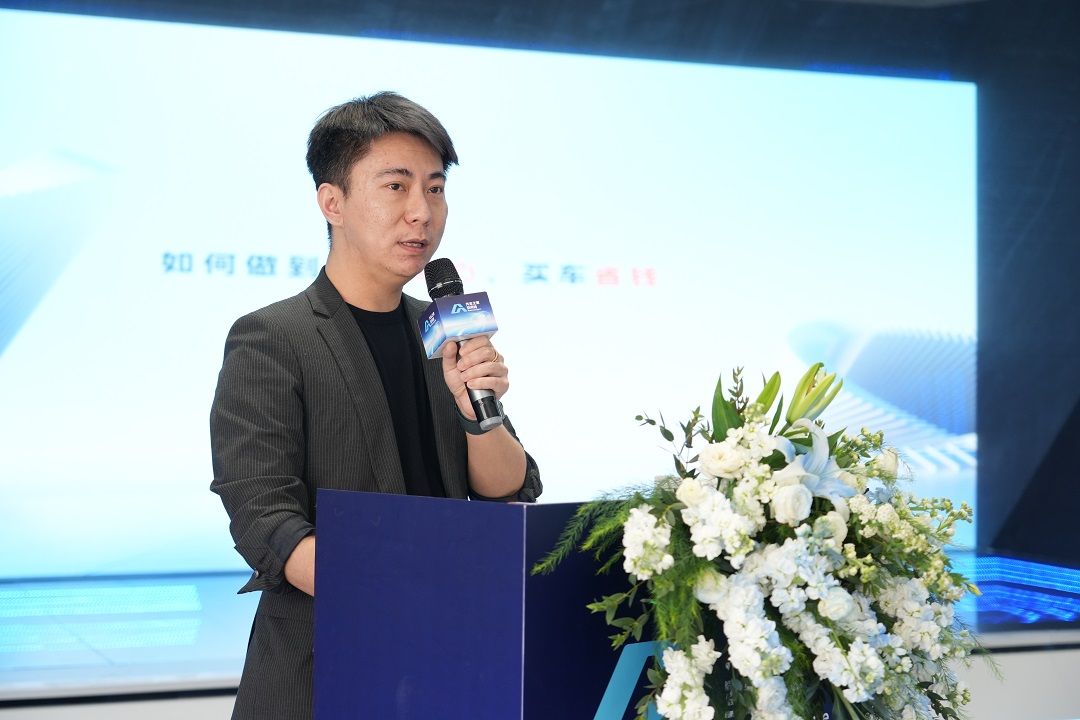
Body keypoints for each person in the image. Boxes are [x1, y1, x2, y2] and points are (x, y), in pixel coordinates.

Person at [210, 91, 542, 720]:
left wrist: (480, 416)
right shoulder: (272, 337)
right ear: (331, 202)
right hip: (325, 670)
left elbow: (508, 491)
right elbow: (265, 519)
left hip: (450, 662)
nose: (422, 211)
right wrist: (406, 596)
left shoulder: (441, 330)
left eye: (436, 188)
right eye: (396, 186)